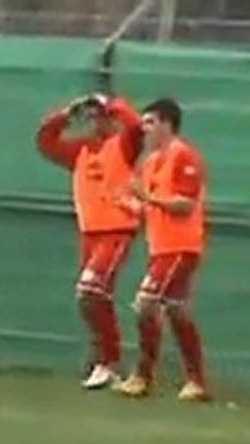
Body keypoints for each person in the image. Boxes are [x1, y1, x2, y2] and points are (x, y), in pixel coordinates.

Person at [36, 93, 144, 390]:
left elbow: (135, 126)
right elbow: (46, 142)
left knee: (91, 289)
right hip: (89, 233)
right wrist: (66, 113)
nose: (100, 120)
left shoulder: (123, 145)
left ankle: (108, 360)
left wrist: (112, 103)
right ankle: (106, 359)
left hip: (117, 229)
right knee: (92, 297)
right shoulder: (81, 150)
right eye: (95, 116)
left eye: (104, 116)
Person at [116, 98, 210, 402]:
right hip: (161, 247)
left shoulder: (185, 156)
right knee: (177, 311)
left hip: (181, 246)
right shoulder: (152, 162)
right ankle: (196, 380)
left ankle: (143, 375)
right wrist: (131, 205)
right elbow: (151, 206)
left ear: (168, 124)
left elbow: (184, 205)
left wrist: (148, 198)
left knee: (146, 303)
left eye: (150, 123)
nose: (145, 130)